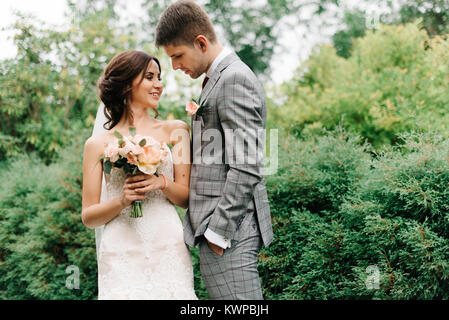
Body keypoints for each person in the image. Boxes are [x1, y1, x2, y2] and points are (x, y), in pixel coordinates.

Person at [156, 0, 274, 300]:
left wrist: (217, 232)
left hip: (228, 233)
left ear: (201, 42)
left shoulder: (233, 79)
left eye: (178, 55)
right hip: (219, 231)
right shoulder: (217, 79)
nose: (174, 66)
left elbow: (247, 165)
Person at [81, 50, 197, 300]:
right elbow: (89, 217)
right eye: (149, 77)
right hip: (120, 250)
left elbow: (186, 198)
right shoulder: (96, 145)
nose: (159, 85)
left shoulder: (177, 131)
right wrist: (122, 201)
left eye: (159, 77)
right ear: (126, 84)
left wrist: (161, 183)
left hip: (167, 245)